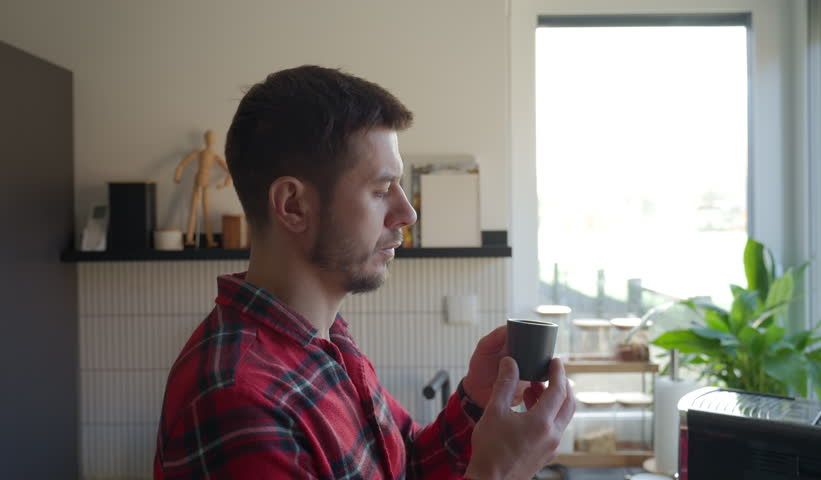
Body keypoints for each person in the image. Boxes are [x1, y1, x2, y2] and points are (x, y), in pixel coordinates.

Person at [154, 65, 575, 479]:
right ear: (293, 205)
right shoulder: (240, 401)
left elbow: (405, 466)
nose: (406, 212)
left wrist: (476, 406)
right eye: (380, 190)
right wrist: (499, 472)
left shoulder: (329, 340)